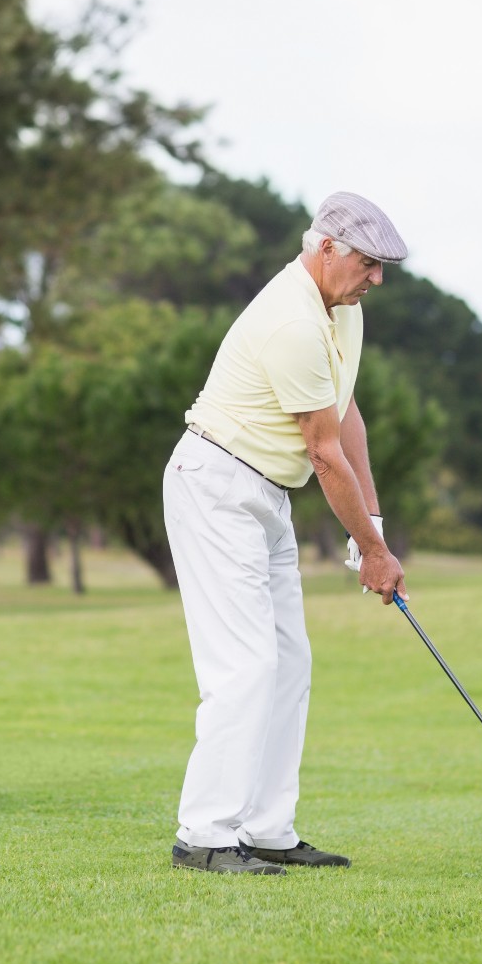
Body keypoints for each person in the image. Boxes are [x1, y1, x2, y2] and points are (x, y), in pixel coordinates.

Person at [165, 192, 409, 874]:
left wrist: (374, 531)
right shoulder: (290, 321)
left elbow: (346, 416)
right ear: (325, 248)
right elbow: (324, 452)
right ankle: (206, 834)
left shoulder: (344, 311)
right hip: (215, 483)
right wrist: (377, 556)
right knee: (245, 665)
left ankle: (268, 828)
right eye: (368, 263)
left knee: (288, 661)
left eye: (384, 267)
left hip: (267, 491)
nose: (377, 280)